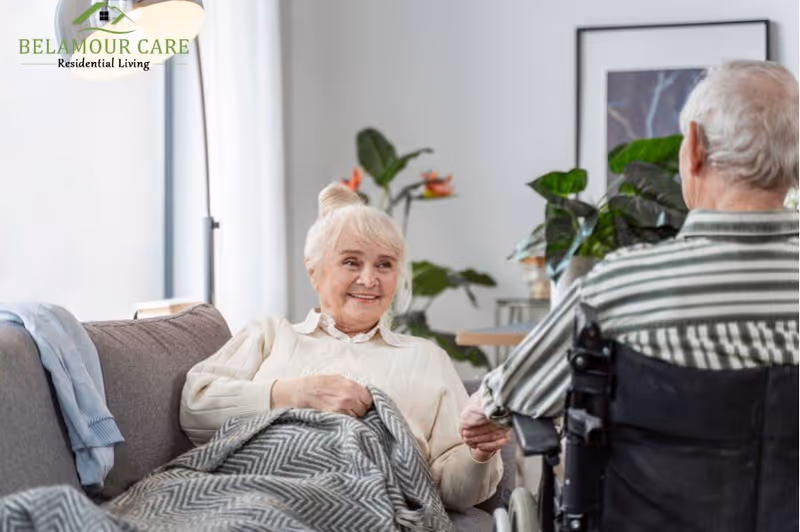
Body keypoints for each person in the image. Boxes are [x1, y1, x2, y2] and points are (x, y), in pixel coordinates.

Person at [461, 59, 799, 433]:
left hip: (664, 492)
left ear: (694, 149)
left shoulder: (622, 284)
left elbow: (517, 390)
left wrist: (485, 402)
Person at [180, 183, 502, 511]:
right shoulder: (270, 334)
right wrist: (296, 394)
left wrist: (479, 453)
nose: (369, 279)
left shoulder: (426, 357)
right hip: (243, 496)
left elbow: (452, 494)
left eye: (384, 264)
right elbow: (196, 406)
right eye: (351, 262)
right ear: (314, 273)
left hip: (365, 510)